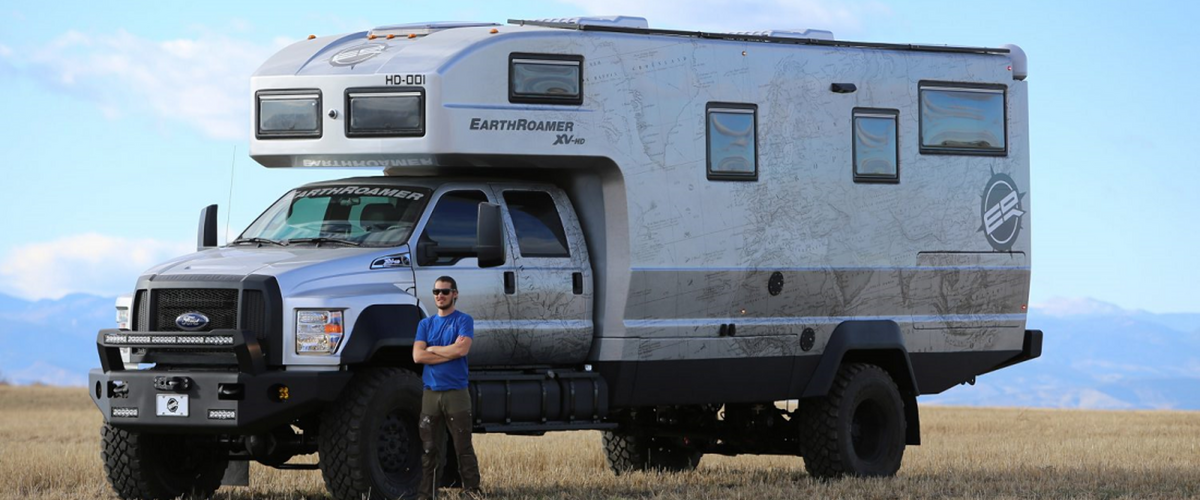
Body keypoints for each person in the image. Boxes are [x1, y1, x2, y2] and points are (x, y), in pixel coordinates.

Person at [412, 276, 482, 499]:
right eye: (436, 292)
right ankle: (428, 494)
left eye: (444, 291)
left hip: (456, 394)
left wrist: (432, 349)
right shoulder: (425, 324)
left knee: (463, 446)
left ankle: (471, 490)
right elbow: (417, 356)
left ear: (455, 294)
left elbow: (461, 351)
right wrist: (447, 351)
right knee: (429, 448)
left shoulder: (464, 320)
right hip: (431, 394)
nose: (439, 295)